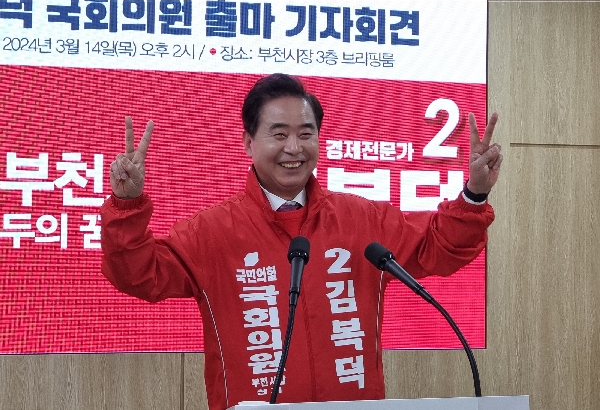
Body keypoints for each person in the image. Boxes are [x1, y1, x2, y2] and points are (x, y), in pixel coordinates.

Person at [101, 73, 502, 410]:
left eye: (305, 134)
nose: (293, 148)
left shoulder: (362, 219)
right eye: (279, 134)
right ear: (248, 143)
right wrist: (126, 204)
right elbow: (139, 273)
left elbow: (439, 247)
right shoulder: (211, 232)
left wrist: (474, 194)